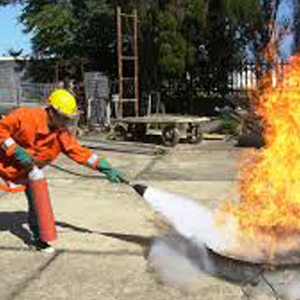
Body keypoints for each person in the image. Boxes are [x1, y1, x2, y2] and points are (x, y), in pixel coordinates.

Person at [0, 88, 123, 253]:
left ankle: (39, 238)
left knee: (38, 204)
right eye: (63, 118)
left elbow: (79, 152)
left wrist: (104, 167)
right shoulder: (25, 116)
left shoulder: (61, 135)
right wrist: (14, 149)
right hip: (2, 165)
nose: (66, 123)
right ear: (51, 111)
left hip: (27, 171)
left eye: (68, 119)